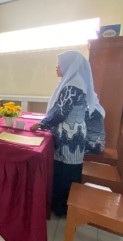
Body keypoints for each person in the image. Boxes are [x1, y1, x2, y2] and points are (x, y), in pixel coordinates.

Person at [30, 50, 92, 216]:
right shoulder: (73, 81)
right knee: (62, 169)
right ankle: (59, 205)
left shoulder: (74, 84)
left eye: (59, 65)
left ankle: (63, 208)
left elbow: (61, 112)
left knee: (66, 171)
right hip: (69, 133)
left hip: (70, 136)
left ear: (69, 65)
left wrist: (41, 124)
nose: (56, 68)